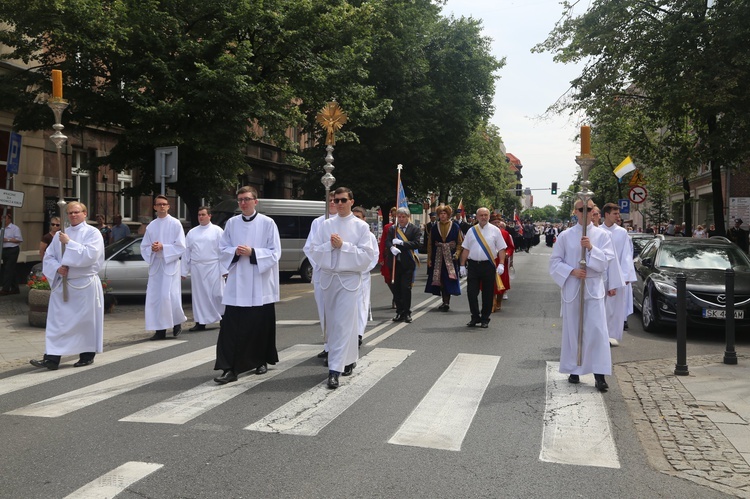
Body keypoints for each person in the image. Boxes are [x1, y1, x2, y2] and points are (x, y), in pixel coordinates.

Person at [308, 187, 377, 389]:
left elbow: (366, 256)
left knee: (343, 324)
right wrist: (330, 246)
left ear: (351, 201)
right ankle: (347, 360)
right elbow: (313, 251)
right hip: (329, 279)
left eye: (342, 200)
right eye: (336, 200)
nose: (338, 204)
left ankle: (334, 370)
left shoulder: (361, 227)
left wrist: (343, 246)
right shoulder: (325, 225)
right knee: (333, 324)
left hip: (348, 280)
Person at [549, 200, 621, 392]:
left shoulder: (603, 235)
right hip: (573, 287)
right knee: (574, 330)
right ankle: (574, 369)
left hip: (593, 287)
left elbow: (606, 262)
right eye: (581, 209)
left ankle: (599, 374)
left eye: (589, 209)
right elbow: (555, 262)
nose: (585, 212)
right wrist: (571, 271)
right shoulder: (565, 236)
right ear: (575, 212)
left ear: (593, 211)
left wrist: (591, 248)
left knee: (597, 330)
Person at [214, 186, 281, 384]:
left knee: (259, 325)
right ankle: (229, 368)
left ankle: (260, 360)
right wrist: (235, 251)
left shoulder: (268, 223)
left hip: (259, 283)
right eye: (240, 200)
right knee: (231, 327)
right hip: (237, 283)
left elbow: (275, 252)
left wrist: (253, 252)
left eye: (247, 199)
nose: (243, 203)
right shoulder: (232, 223)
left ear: (255, 201)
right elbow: (222, 248)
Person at [30, 202, 104, 370]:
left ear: (85, 213)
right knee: (57, 321)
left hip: (84, 284)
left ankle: (86, 355)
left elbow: (90, 256)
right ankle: (52, 358)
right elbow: (49, 257)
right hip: (64, 283)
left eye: (76, 212)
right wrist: (58, 268)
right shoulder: (59, 235)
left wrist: (69, 243)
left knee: (85, 322)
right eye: (70, 213)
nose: (72, 215)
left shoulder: (93, 233)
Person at [141, 195, 187, 340]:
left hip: (170, 264)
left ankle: (176, 322)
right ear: (154, 207)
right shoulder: (151, 226)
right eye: (159, 204)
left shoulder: (175, 224)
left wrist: (163, 247)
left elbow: (181, 246)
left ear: (168, 206)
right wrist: (152, 249)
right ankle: (159, 329)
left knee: (169, 296)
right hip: (156, 265)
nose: (162, 206)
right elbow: (144, 246)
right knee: (155, 298)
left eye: (164, 204)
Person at [303, 192, 338, 361]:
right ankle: (327, 345)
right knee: (324, 311)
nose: (332, 203)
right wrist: (322, 263)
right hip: (322, 273)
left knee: (339, 312)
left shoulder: (345, 221)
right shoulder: (318, 222)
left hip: (340, 274)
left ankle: (340, 347)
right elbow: (309, 248)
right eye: (329, 200)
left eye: (335, 200)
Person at [459, 207, 507, 328]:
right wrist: (462, 265)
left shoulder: (495, 230)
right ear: (477, 217)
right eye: (481, 215)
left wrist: (501, 263)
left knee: (487, 293)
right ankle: (475, 317)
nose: (483, 217)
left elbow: (501, 248)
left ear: (489, 216)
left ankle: (485, 318)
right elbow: (466, 248)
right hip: (474, 265)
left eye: (486, 215)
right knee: (471, 292)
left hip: (488, 265)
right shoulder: (471, 230)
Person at [182, 206, 225, 332]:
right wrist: (183, 270)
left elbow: (223, 251)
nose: (200, 217)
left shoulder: (217, 231)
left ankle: (223, 317)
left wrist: (225, 270)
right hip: (197, 268)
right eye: (199, 215)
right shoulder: (192, 233)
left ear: (209, 216)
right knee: (199, 296)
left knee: (218, 293)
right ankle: (200, 322)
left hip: (214, 266)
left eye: (203, 214)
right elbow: (186, 252)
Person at [601, 203, 634, 347]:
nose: (618, 216)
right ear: (607, 214)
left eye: (618, 213)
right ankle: (599, 334)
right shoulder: (598, 231)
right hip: (600, 274)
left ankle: (609, 335)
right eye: (615, 213)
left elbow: (626, 255)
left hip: (617, 274)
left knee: (613, 308)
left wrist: (625, 276)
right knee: (600, 307)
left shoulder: (622, 232)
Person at [385, 207, 422, 323]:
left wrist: (402, 243)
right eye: (399, 217)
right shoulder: (393, 229)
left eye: (403, 217)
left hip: (407, 263)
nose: (401, 219)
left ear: (408, 217)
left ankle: (407, 312)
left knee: (406, 288)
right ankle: (399, 312)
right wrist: (391, 247)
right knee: (396, 289)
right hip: (395, 263)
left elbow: (417, 243)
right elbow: (387, 241)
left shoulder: (414, 229)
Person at [425, 205, 463, 311]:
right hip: (437, 256)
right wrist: (429, 259)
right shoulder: (434, 227)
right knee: (440, 279)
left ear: (448, 214)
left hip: (451, 257)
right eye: (440, 213)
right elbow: (430, 244)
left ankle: (447, 302)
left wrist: (457, 253)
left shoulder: (455, 226)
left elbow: (460, 242)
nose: (442, 215)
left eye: (444, 213)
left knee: (448, 279)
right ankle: (444, 301)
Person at [352, 206, 379, 344]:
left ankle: (359, 334)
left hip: (361, 275)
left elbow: (373, 256)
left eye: (358, 217)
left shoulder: (370, 236)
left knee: (361, 304)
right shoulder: (348, 233)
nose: (355, 220)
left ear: (364, 219)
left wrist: (362, 268)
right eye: (353, 217)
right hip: (348, 275)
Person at [378, 207, 398, 309]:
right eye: (393, 214)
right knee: (388, 278)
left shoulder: (405, 227)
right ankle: (396, 295)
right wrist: (380, 257)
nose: (395, 216)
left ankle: (397, 297)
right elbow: (382, 243)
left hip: (400, 257)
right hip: (388, 256)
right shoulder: (387, 227)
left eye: (397, 214)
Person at [493, 219, 515, 310]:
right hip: (489, 260)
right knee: (490, 283)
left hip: (501, 261)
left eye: (498, 223)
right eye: (494, 223)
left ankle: (499, 302)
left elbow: (510, 247)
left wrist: (507, 254)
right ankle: (492, 302)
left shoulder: (505, 234)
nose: (497, 225)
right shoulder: (484, 233)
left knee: (501, 282)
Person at [1, 213, 23, 295]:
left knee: (8, 269)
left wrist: (8, 240)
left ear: (9, 219)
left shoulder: (15, 228)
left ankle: (5, 289)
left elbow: (19, 239)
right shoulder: (2, 229)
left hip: (12, 250)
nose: (2, 220)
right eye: (2, 218)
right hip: (4, 250)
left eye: (4, 218)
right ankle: (15, 288)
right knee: (10, 269)